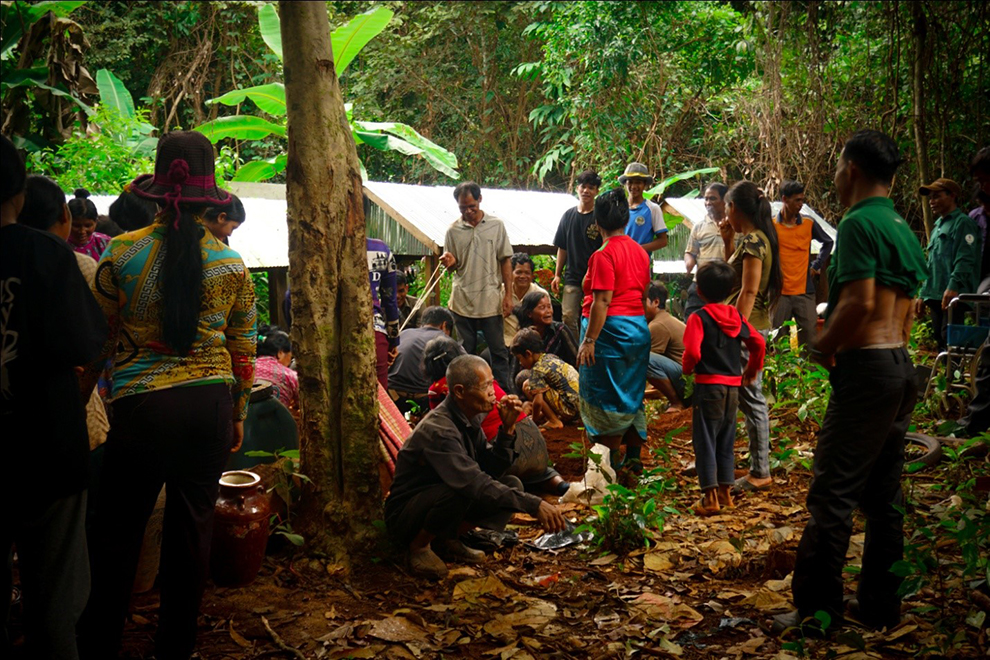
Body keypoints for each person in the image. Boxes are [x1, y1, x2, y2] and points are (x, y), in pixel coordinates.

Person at [78, 131, 257, 660]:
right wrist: (239, 412)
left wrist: (80, 401)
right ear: (209, 200)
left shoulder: (120, 252)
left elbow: (99, 344)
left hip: (141, 409)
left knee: (117, 534)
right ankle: (174, 647)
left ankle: (99, 644)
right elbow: (243, 347)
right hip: (209, 407)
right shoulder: (230, 264)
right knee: (192, 529)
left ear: (156, 192)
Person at [772, 130, 928, 637]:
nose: (834, 178)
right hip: (900, 366)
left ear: (852, 170)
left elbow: (858, 303)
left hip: (866, 370)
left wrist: (822, 345)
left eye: (837, 168)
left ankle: (818, 614)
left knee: (832, 496)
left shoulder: (859, 223)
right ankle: (881, 606)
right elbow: (909, 308)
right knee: (884, 499)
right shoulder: (902, 225)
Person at [1, 136, 108, 660]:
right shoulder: (45, 254)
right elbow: (87, 345)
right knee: (54, 599)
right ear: (17, 192)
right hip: (47, 446)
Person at [385, 355, 567, 579]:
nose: (493, 392)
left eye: (492, 384)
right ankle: (419, 547)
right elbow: (473, 482)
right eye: (485, 386)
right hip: (406, 516)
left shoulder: (468, 418)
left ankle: (447, 539)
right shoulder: (440, 430)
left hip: (440, 498)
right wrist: (534, 505)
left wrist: (508, 428)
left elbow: (490, 468)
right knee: (463, 489)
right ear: (460, 391)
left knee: (511, 484)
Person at [18, 175, 112, 523]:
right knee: (70, 532)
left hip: (16, 420)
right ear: (64, 215)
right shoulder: (76, 264)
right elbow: (93, 341)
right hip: (70, 422)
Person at [577, 188, 652, 476]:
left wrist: (589, 340)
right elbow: (643, 295)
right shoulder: (640, 252)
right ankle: (633, 462)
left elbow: (603, 300)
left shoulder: (603, 254)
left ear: (597, 223)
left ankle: (609, 467)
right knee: (631, 394)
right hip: (636, 329)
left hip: (608, 333)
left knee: (604, 395)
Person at [682, 262, 765, 516]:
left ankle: (709, 499)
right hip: (732, 389)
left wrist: (687, 368)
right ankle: (726, 495)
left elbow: (693, 351)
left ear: (700, 291)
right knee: (726, 440)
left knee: (705, 440)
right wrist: (751, 370)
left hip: (708, 388)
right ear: (730, 290)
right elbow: (758, 342)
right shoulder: (736, 316)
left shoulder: (698, 317)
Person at [723, 180, 782, 495]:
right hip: (747, 326)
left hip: (747, 328)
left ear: (734, 208)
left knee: (751, 397)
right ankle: (730, 463)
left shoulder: (755, 242)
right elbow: (732, 280)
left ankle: (760, 471)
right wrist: (726, 241)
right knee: (739, 398)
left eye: (727, 206)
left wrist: (735, 329)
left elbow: (748, 290)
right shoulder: (751, 240)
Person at [440, 181, 515, 392]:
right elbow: (452, 267)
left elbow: (505, 260)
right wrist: (450, 263)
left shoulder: (496, 225)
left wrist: (508, 295)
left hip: (490, 300)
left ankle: (506, 395)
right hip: (462, 300)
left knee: (499, 352)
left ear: (480, 199)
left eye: (472, 206)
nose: (468, 211)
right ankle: (471, 396)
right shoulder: (453, 230)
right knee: (465, 353)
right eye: (463, 208)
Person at [915, 177, 980, 351]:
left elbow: (965, 258)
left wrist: (954, 286)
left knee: (950, 336)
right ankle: (948, 373)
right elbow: (932, 263)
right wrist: (922, 294)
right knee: (938, 335)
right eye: (930, 198)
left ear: (952, 196)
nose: (932, 201)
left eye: (937, 196)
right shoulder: (937, 227)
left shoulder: (963, 224)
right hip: (936, 293)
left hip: (953, 293)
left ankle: (955, 374)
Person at [772, 180, 834, 347]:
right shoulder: (772, 225)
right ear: (785, 199)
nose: (801, 204)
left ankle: (809, 372)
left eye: (802, 200)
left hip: (804, 291)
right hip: (780, 293)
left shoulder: (808, 223)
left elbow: (828, 243)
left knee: (810, 339)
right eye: (797, 200)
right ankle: (782, 373)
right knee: (778, 339)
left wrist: (816, 265)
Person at [552, 169, 603, 337]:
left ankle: (590, 345)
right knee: (568, 316)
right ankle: (575, 351)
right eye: (583, 186)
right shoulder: (568, 216)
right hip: (573, 275)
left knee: (596, 315)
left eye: (591, 187)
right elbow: (562, 247)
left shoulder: (600, 217)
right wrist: (557, 274)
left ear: (597, 191)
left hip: (596, 275)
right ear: (577, 188)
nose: (586, 191)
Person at [388, 306, 454, 413]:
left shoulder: (405, 333)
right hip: (425, 398)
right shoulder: (446, 340)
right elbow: (466, 367)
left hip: (393, 395)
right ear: (444, 325)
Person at [511, 329, 580, 429]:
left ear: (528, 354)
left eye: (519, 359)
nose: (520, 363)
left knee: (527, 385)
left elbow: (538, 402)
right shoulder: (550, 357)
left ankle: (554, 421)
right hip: (581, 408)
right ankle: (552, 416)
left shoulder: (537, 370)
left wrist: (534, 421)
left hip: (570, 410)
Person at [684, 182, 734, 318]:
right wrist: (689, 263)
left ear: (724, 201)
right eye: (705, 199)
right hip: (700, 284)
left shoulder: (736, 227)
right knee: (692, 321)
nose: (707, 202)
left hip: (725, 284)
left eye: (712, 198)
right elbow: (690, 252)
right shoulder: (699, 226)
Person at [645, 281, 687, 410]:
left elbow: (646, 364)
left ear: (656, 302)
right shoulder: (664, 319)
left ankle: (676, 403)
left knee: (643, 357)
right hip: (688, 379)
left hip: (688, 384)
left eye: (642, 302)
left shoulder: (658, 325)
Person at [368, 237, 400, 387]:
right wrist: (393, 341)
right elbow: (389, 300)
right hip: (374, 331)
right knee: (379, 397)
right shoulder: (380, 249)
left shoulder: (319, 247)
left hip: (327, 332)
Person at [514, 290, 578, 365]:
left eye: (549, 306)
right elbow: (516, 366)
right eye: (542, 308)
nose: (548, 311)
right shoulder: (524, 335)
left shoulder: (561, 329)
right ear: (529, 313)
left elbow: (576, 357)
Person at [619, 162, 669, 256]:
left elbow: (663, 241)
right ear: (625, 184)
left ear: (645, 184)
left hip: (640, 265)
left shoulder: (653, 209)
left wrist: (637, 250)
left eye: (638, 182)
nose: (633, 186)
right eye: (630, 182)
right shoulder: (618, 207)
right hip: (619, 264)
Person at [502, 252, 547, 347]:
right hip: (504, 342)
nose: (523, 276)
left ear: (532, 275)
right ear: (511, 273)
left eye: (527, 273)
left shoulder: (540, 294)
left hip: (530, 343)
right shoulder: (501, 292)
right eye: (518, 272)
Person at [254, 324, 299, 412]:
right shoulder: (290, 375)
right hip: (276, 423)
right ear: (280, 353)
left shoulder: (246, 368)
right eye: (290, 356)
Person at [67, 188, 111, 261]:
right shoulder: (57, 246)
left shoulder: (107, 243)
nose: (82, 231)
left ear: (96, 222)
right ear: (67, 222)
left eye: (88, 226)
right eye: (76, 226)